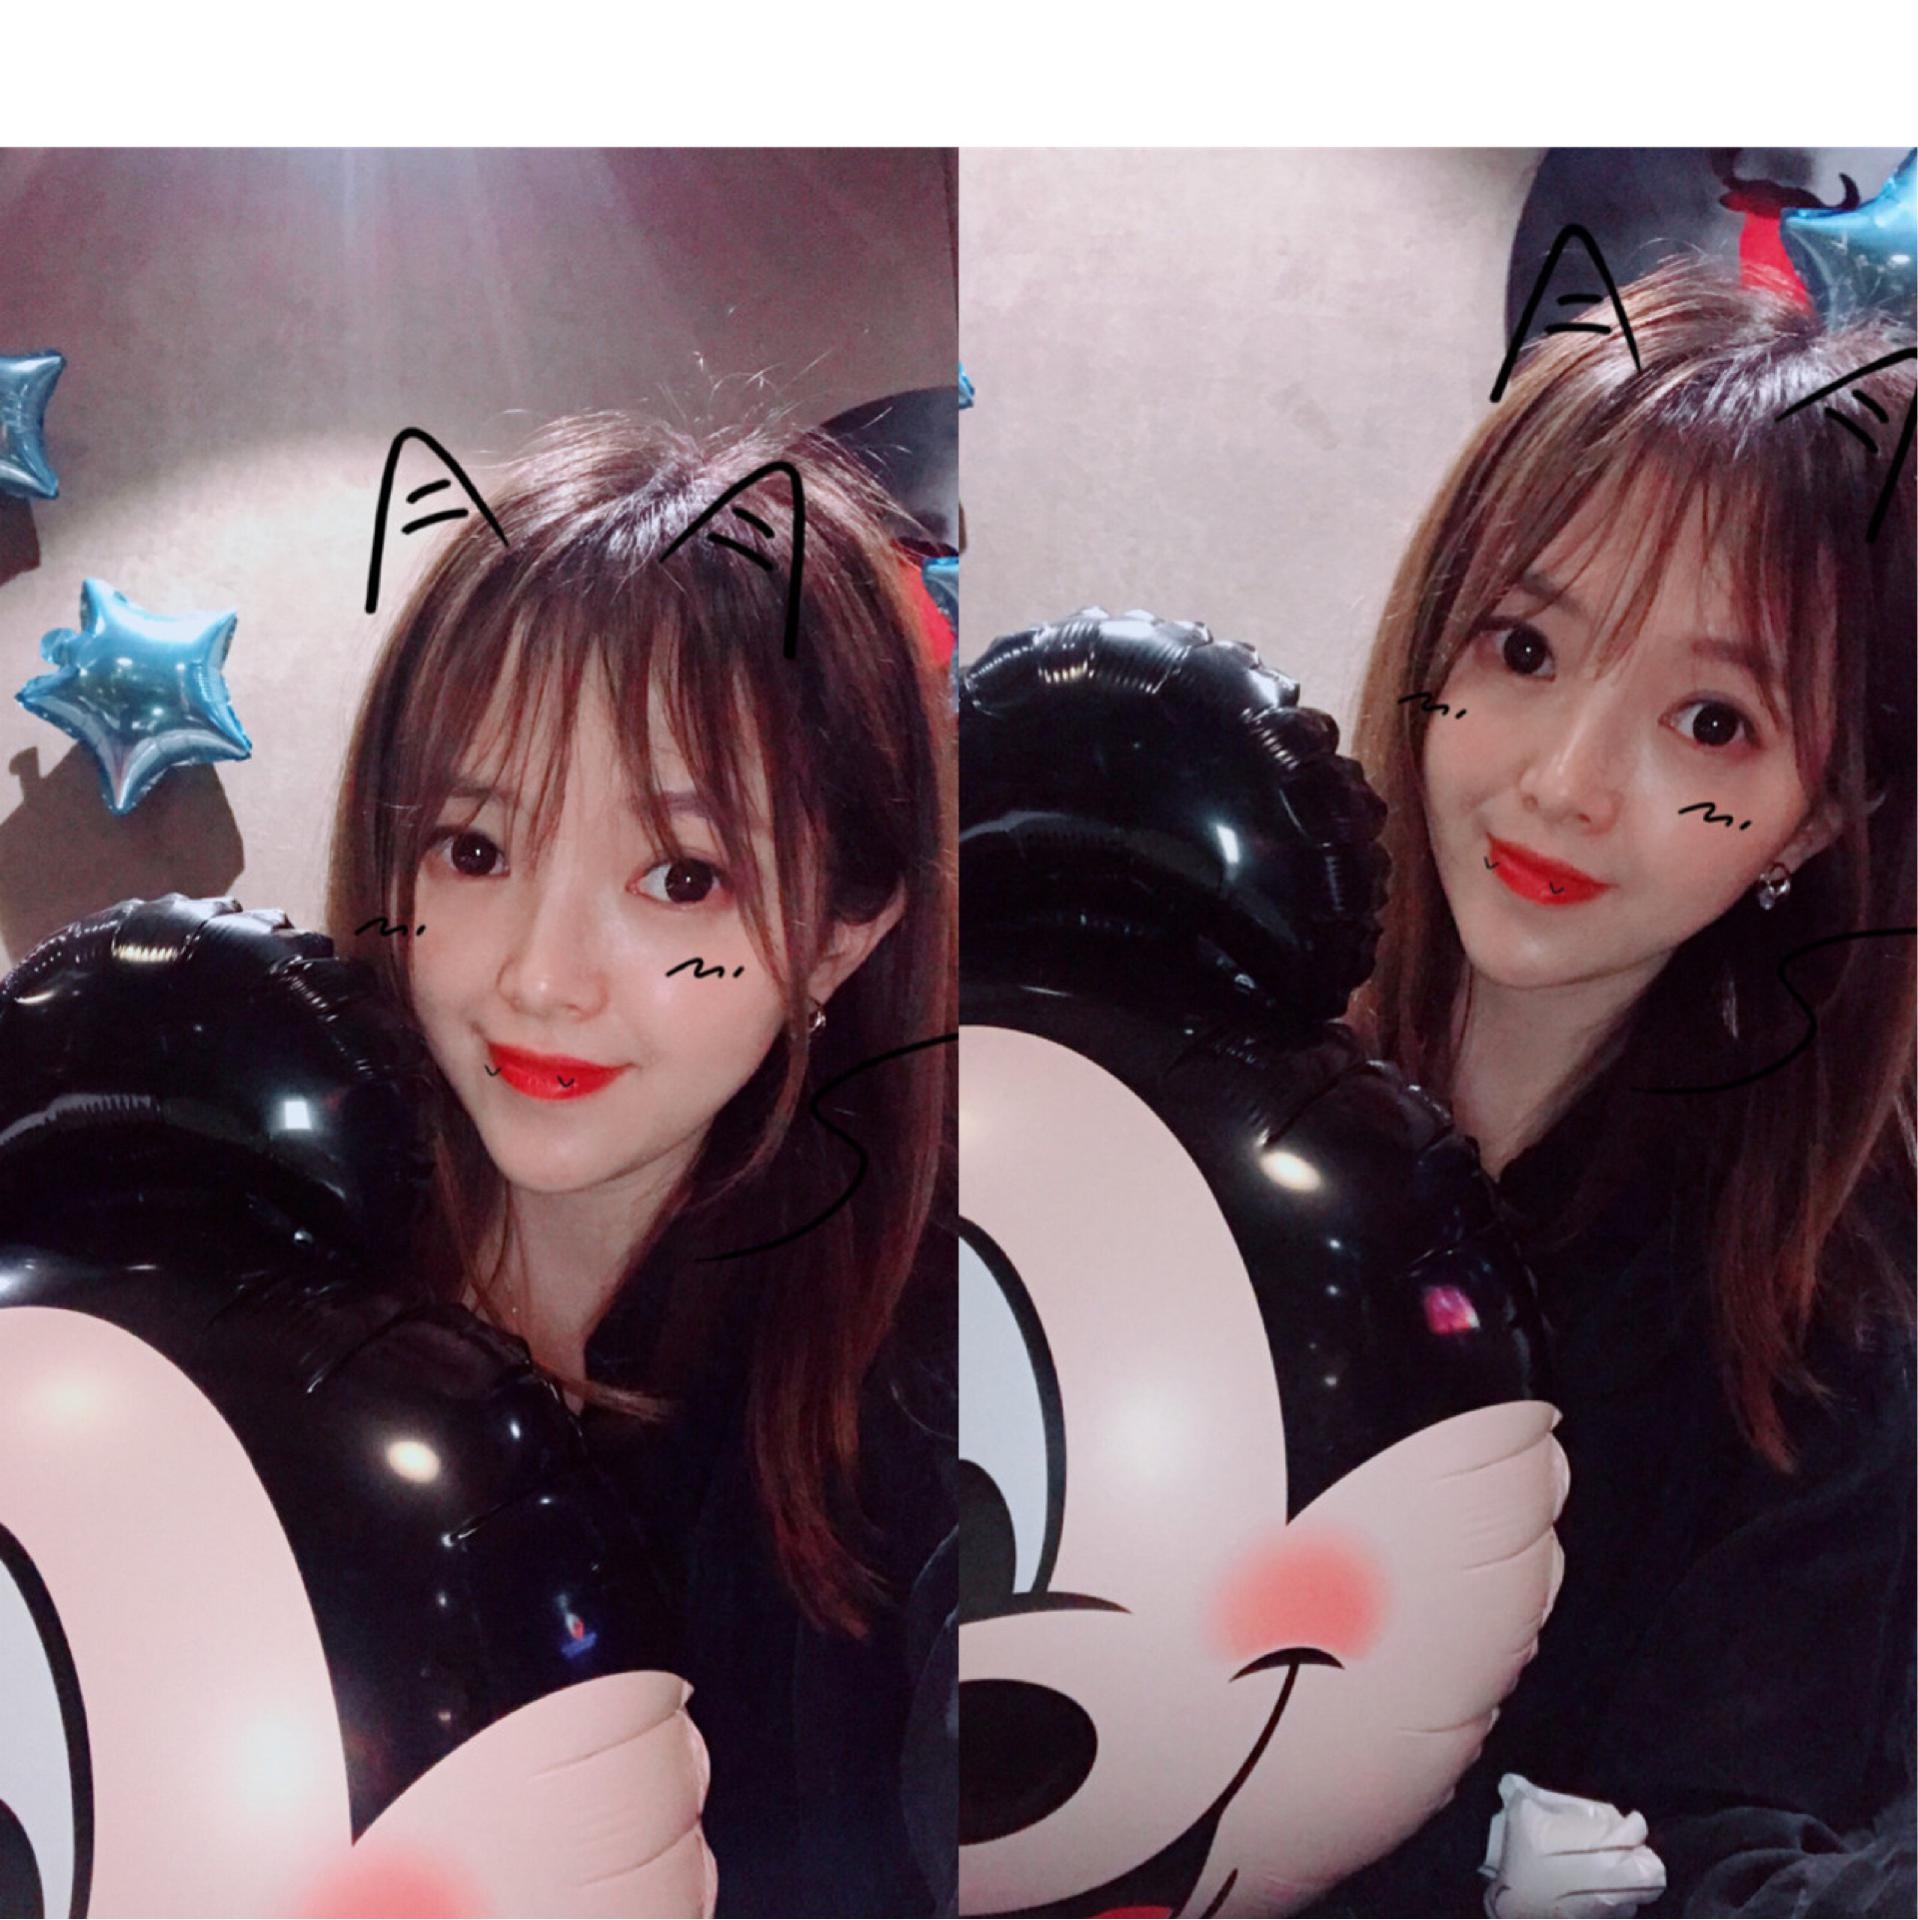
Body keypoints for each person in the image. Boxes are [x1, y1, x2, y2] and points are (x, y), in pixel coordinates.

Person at [1298, 257, 1918, 1917]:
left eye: (1710, 723)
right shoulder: (1192, 1081)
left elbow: (1735, 1842)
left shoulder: (1812, 1329)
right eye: (1522, 646)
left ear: (1816, 817)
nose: (1566, 783)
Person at [323, 414, 958, 1918]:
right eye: (475, 850)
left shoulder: (927, 1401)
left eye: (681, 877)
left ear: (842, 931)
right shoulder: (271, 1280)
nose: (541, 978)